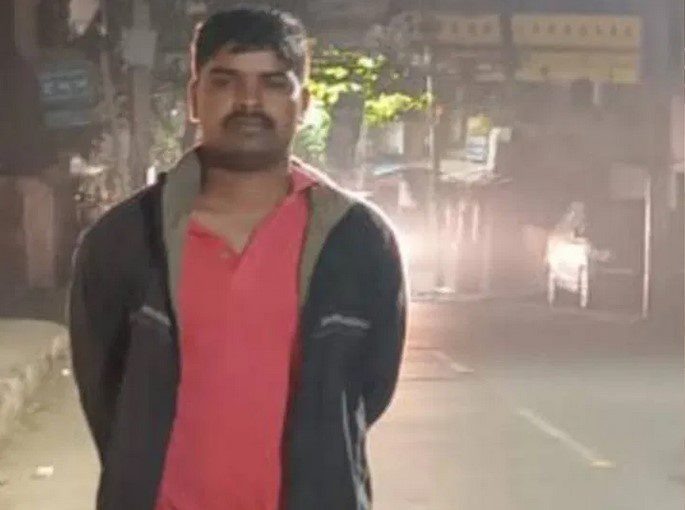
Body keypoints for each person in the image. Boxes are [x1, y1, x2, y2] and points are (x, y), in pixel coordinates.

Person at [68, 7, 406, 510]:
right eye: (225, 81)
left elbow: (368, 390)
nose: (249, 101)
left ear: (303, 103)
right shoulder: (125, 240)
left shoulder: (358, 241)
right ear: (194, 99)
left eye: (273, 83)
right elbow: (105, 392)